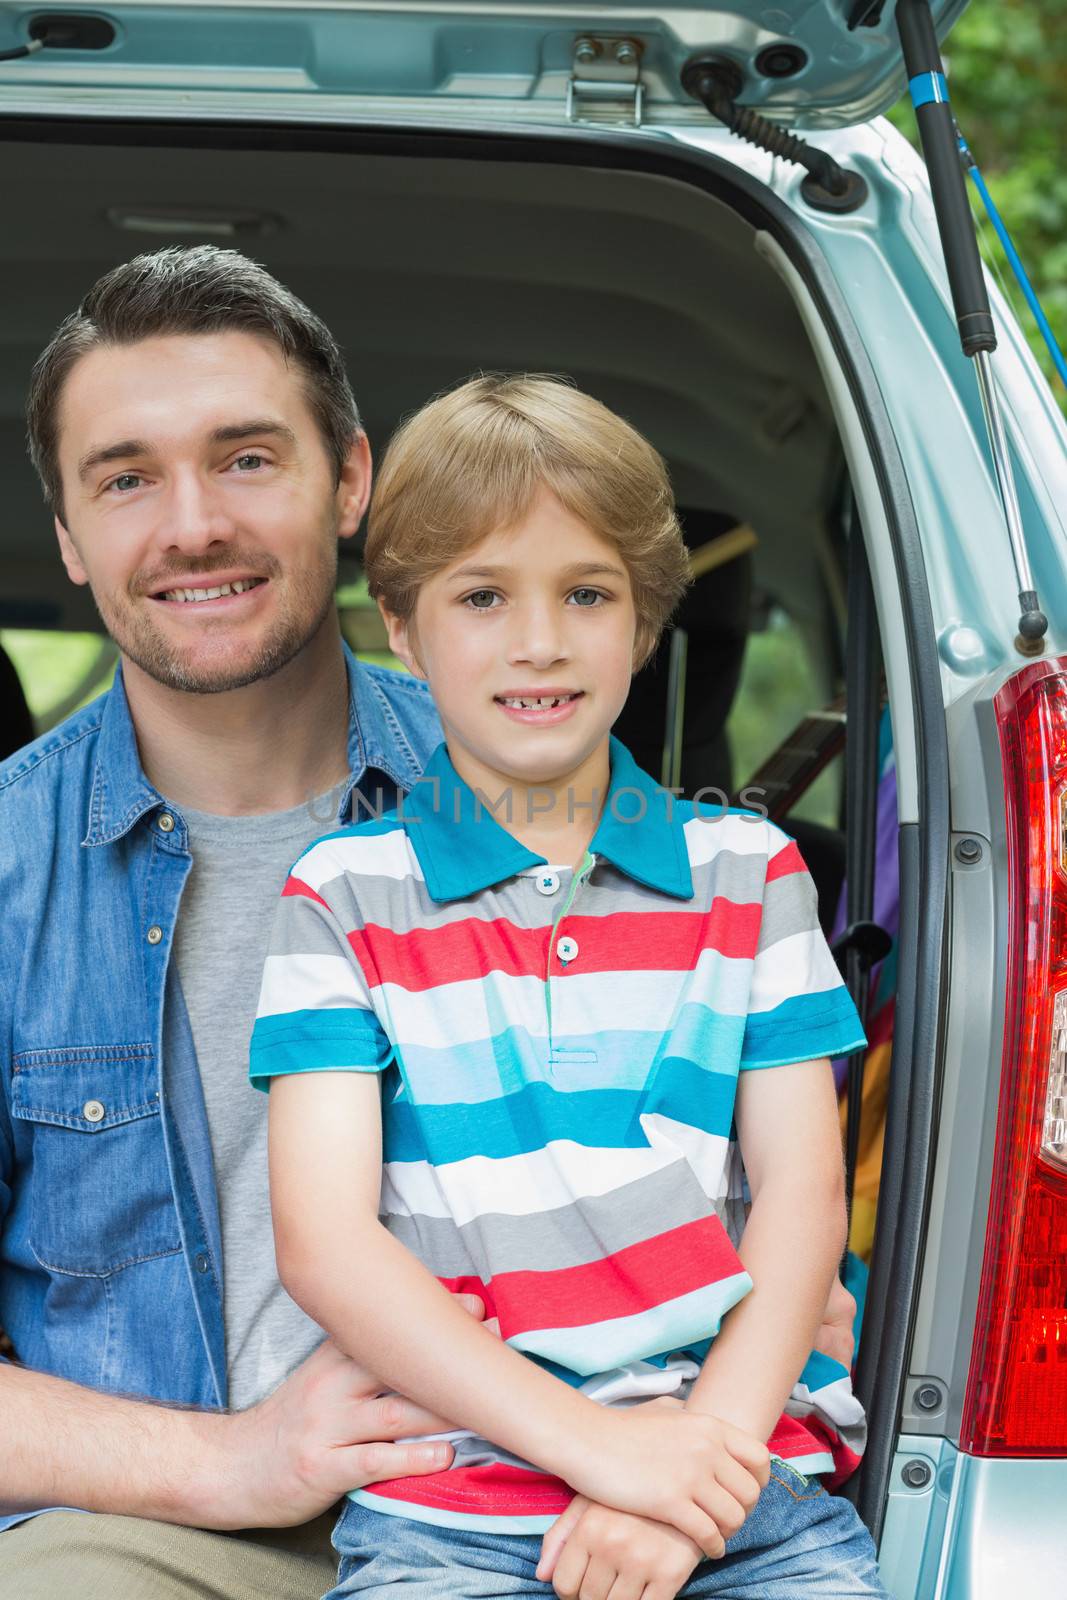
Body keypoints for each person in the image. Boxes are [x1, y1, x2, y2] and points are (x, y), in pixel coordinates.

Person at [252, 375, 889, 1599]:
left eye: (585, 594)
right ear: (400, 622)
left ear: (645, 623)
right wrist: (604, 1454)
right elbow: (324, 1244)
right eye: (481, 596)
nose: (537, 641)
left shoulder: (747, 874)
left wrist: (692, 1482)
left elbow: (803, 1199)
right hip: (451, 1507)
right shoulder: (339, 897)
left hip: (740, 1482)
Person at [0, 245, 486, 1598]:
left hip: (524, 1502)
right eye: (126, 477)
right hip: (157, 1534)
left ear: (348, 480)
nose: (192, 523)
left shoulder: (536, 802)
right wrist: (233, 1463)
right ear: (68, 536)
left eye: (247, 458)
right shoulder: (2, 872)